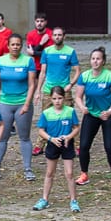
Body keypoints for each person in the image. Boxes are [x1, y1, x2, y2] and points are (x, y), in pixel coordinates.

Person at [73, 47, 111, 188]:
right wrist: (82, 107)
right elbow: (78, 96)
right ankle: (84, 174)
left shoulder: (110, 76)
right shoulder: (85, 76)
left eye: (98, 58)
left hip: (108, 116)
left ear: (103, 61)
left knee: (109, 147)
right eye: (93, 58)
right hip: (91, 115)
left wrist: (110, 110)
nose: (95, 61)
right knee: (83, 146)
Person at [0, 33, 37, 181]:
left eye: (18, 44)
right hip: (5, 103)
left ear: (21, 45)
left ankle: (28, 168)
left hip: (22, 104)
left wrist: (26, 104)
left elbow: (32, 85)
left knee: (24, 137)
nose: (15, 47)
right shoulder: (1, 61)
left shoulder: (28, 61)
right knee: (2, 137)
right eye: (13, 44)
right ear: (8, 45)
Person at [33, 26, 80, 155]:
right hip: (49, 90)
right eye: (55, 35)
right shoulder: (47, 51)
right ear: (52, 37)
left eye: (59, 35)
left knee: (69, 117)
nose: (57, 37)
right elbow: (42, 72)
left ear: (64, 37)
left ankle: (76, 145)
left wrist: (71, 84)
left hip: (65, 91)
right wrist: (38, 90)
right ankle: (40, 145)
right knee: (46, 117)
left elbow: (77, 71)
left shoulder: (70, 52)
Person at [33, 86, 81, 212]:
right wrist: (51, 139)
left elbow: (76, 127)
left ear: (64, 98)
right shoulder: (46, 113)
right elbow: (41, 130)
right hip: (53, 144)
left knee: (69, 173)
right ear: (51, 99)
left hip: (67, 145)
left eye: (60, 98)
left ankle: (73, 200)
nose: (57, 101)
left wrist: (69, 137)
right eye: (54, 98)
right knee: (50, 173)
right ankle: (44, 199)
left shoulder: (70, 111)